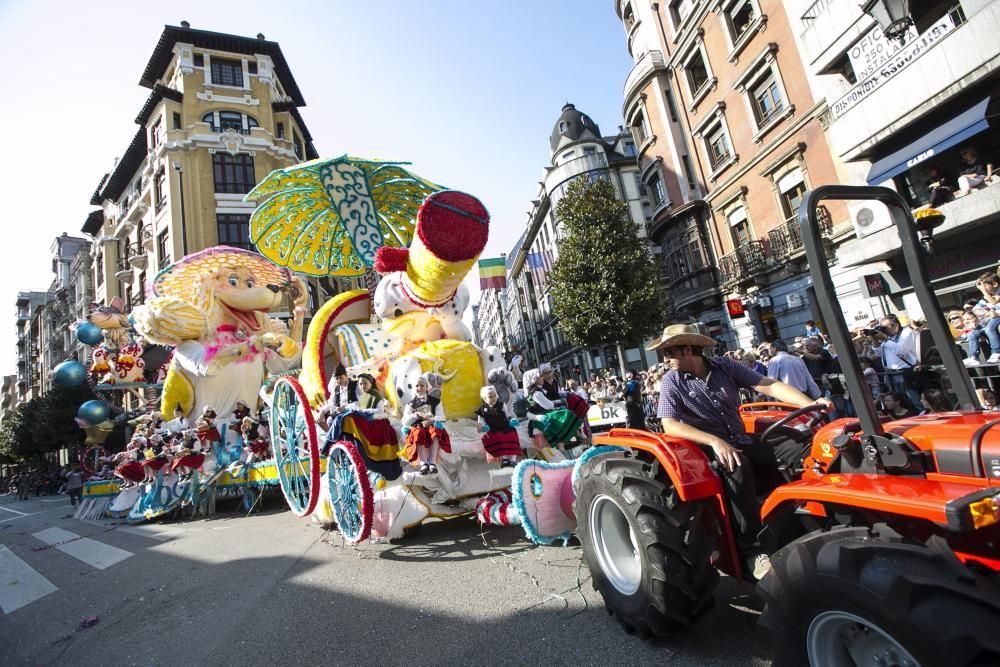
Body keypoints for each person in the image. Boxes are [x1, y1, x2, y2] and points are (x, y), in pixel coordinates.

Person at [649, 324, 831, 580]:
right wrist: (714, 441)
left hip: (740, 438)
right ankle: (752, 550)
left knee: (799, 448)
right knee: (737, 466)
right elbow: (670, 424)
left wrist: (810, 404)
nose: (665, 360)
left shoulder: (725, 366)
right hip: (707, 447)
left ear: (688, 349)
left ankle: (813, 513)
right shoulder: (671, 382)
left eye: (669, 353)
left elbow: (768, 385)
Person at [401, 374, 450, 475]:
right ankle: (423, 463)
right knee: (417, 432)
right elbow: (405, 421)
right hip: (418, 426)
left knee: (435, 432)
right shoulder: (410, 404)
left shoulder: (436, 401)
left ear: (427, 387)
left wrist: (431, 421)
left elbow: (442, 417)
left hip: (431, 425)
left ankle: (432, 463)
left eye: (422, 385)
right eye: (417, 386)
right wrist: (415, 415)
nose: (419, 388)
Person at [869, 314, 921, 409]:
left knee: (914, 400)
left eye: (884, 327)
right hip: (891, 374)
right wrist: (875, 341)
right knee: (900, 404)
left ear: (896, 325)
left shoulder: (907, 332)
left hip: (906, 373)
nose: (883, 330)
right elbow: (879, 353)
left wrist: (885, 339)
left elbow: (901, 350)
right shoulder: (889, 338)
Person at [475, 386, 521, 468]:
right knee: (498, 437)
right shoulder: (482, 410)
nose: (493, 398)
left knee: (512, 435)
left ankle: (513, 460)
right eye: (490, 397)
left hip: (505, 426)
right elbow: (480, 422)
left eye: (494, 396)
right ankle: (504, 459)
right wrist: (482, 427)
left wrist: (511, 420)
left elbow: (508, 415)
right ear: (485, 399)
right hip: (494, 428)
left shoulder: (502, 405)